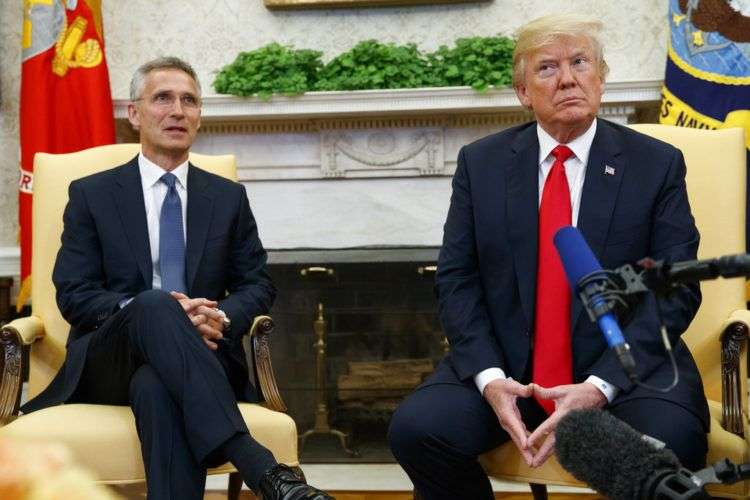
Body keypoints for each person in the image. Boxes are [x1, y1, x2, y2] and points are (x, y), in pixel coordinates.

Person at [388, 14, 710, 500]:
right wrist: (491, 379)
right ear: (522, 91)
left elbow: (675, 289)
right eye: (547, 68)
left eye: (580, 62)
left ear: (600, 79)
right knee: (418, 430)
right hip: (510, 368)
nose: (567, 79)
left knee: (671, 444)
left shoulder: (655, 164)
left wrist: (600, 386)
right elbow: (457, 279)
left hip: (624, 370)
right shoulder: (482, 164)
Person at [20, 56, 333, 500]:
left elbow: (258, 284)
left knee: (155, 385)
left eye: (189, 101)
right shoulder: (92, 194)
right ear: (135, 113)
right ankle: (262, 467)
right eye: (163, 98)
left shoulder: (227, 198)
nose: (178, 110)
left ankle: (266, 476)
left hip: (203, 351)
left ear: (199, 115)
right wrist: (160, 312)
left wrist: (218, 316)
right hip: (109, 357)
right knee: (152, 303)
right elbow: (75, 294)